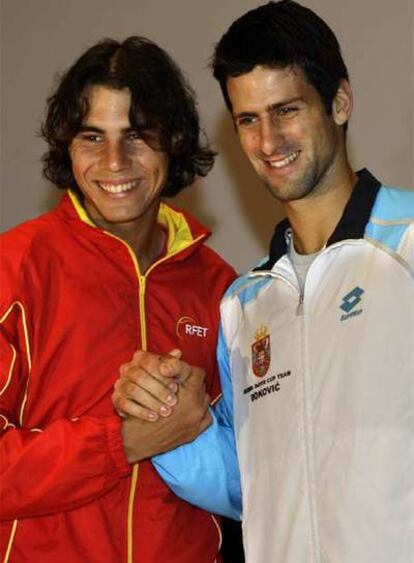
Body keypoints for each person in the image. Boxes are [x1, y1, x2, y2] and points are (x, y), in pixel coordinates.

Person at [112, 2, 414, 562]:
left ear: (340, 103)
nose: (268, 141)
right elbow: (245, 484)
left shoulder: (406, 245)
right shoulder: (244, 304)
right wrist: (163, 413)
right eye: (248, 120)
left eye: (286, 110)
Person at [0, 36, 238, 562]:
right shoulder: (14, 269)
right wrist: (121, 442)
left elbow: (257, 475)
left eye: (137, 136)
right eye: (92, 137)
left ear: (173, 140)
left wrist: (197, 417)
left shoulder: (222, 288)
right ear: (67, 145)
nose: (114, 162)